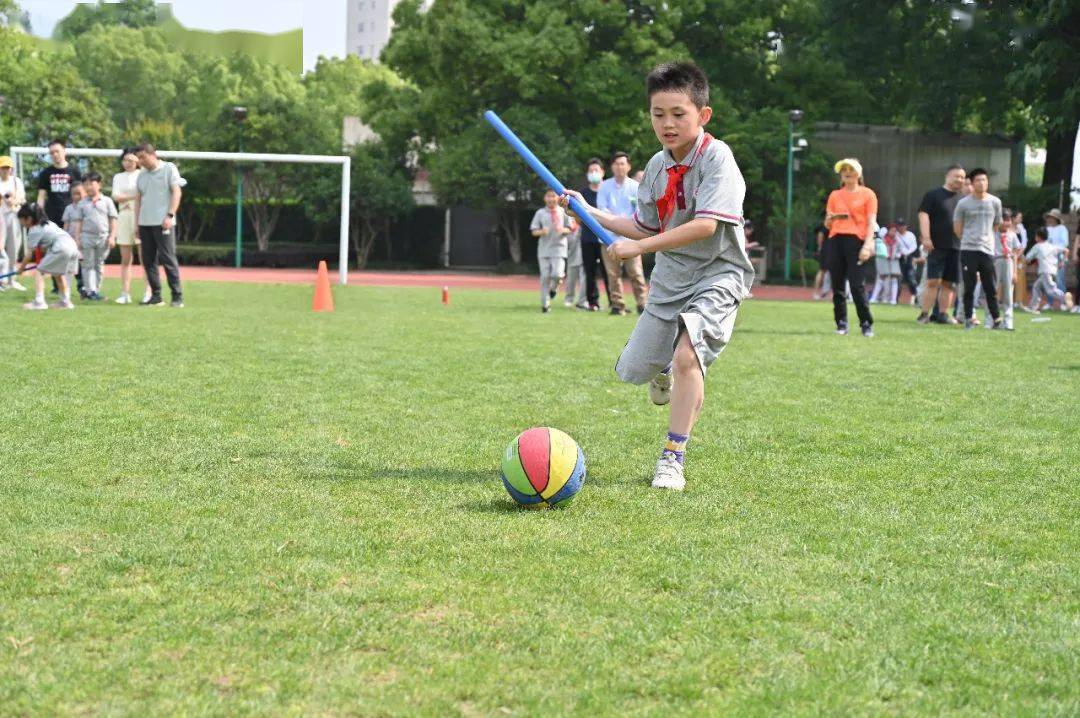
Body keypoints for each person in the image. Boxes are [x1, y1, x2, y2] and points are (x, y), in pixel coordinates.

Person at [560, 61, 754, 491]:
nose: (666, 123)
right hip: (671, 277)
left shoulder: (717, 157)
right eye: (657, 114)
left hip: (719, 272)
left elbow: (705, 226)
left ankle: (673, 456)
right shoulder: (656, 166)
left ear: (702, 115)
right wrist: (589, 211)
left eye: (678, 114)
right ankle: (662, 365)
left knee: (690, 356)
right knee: (633, 368)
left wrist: (639, 249)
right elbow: (645, 226)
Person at [824, 158, 877, 336]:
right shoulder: (834, 195)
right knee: (837, 285)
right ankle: (841, 323)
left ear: (858, 173)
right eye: (844, 169)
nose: (847, 171)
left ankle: (866, 323)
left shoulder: (868, 194)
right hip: (835, 240)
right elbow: (827, 223)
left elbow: (871, 222)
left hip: (856, 243)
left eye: (851, 169)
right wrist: (832, 219)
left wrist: (867, 246)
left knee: (856, 286)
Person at [597, 151, 649, 315]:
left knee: (636, 273)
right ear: (612, 166)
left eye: (622, 163)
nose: (619, 167)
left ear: (628, 166)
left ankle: (642, 304)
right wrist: (615, 222)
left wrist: (623, 222)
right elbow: (601, 209)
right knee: (613, 274)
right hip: (608, 237)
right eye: (616, 163)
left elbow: (640, 211)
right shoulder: (604, 186)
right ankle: (617, 305)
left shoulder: (635, 186)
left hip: (630, 237)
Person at [953, 168, 1004, 330]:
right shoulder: (963, 203)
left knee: (990, 285)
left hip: (987, 250)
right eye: (978, 180)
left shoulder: (995, 202)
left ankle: (996, 318)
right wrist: (969, 239)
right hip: (968, 249)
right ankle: (968, 317)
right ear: (972, 183)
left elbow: (996, 225)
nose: (982, 183)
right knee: (969, 285)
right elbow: (957, 228)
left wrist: (986, 239)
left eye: (984, 180)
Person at [134, 143, 184, 307]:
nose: (140, 161)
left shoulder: (169, 168)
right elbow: (139, 199)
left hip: (163, 223)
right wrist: (137, 223)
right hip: (145, 223)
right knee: (148, 261)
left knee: (168, 259)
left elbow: (176, 192)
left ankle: (177, 297)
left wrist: (170, 215)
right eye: (138, 158)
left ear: (153, 154)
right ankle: (156, 296)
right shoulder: (141, 175)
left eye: (143, 157)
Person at [916, 165, 966, 325]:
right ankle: (924, 314)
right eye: (956, 176)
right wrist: (926, 237)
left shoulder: (963, 200)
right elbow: (923, 215)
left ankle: (943, 314)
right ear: (947, 176)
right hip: (936, 245)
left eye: (962, 177)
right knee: (933, 281)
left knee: (949, 283)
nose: (959, 179)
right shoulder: (933, 195)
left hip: (957, 246)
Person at [36, 139, 84, 297]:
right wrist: (39, 215)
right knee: (54, 251)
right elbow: (41, 196)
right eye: (51, 153)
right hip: (52, 217)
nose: (54, 155)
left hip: (72, 217)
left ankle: (81, 284)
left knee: (74, 249)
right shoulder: (46, 173)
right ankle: (57, 285)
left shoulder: (75, 171)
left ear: (64, 151)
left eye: (57, 151)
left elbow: (81, 194)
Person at [15, 203, 80, 310]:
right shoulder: (49, 224)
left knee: (39, 271)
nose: (21, 223)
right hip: (72, 247)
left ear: (29, 218)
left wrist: (21, 269)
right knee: (58, 273)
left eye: (22, 220)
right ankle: (65, 302)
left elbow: (29, 254)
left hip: (61, 248)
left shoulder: (34, 230)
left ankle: (39, 302)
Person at [70, 171, 118, 302]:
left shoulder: (107, 201)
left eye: (91, 183)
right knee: (87, 265)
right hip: (87, 237)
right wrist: (77, 239)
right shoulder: (82, 204)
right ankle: (90, 291)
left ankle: (96, 290)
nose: (88, 187)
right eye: (85, 184)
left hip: (103, 237)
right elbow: (78, 222)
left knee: (99, 264)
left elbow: (113, 219)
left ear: (99, 184)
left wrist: (112, 236)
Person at [973, 209, 1022, 330]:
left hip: (1008, 262)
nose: (1006, 223)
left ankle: (1008, 321)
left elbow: (1015, 253)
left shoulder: (1012, 235)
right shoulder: (991, 234)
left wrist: (1015, 271)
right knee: (991, 291)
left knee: (1008, 294)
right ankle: (990, 320)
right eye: (1003, 220)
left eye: (1008, 220)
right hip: (994, 262)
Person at [530, 189, 572, 313]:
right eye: (548, 196)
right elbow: (533, 230)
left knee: (558, 274)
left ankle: (553, 289)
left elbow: (570, 228)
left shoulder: (563, 212)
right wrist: (542, 231)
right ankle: (545, 304)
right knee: (545, 277)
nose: (551, 199)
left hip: (559, 248)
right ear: (544, 198)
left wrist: (563, 230)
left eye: (553, 196)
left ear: (557, 198)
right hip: (544, 249)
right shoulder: (540, 213)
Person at [111, 149, 143, 304]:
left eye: (131, 160)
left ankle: (149, 291)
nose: (128, 163)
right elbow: (116, 196)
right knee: (125, 258)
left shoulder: (142, 174)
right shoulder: (118, 177)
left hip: (141, 216)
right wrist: (134, 196)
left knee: (146, 258)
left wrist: (131, 198)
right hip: (124, 215)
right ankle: (125, 293)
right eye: (125, 160)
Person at [1024, 228, 1074, 313]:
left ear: (1038, 237)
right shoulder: (1052, 246)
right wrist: (1063, 262)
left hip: (1045, 271)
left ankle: (1064, 297)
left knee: (1050, 290)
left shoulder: (1037, 246)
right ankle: (1033, 307)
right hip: (1053, 271)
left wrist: (1028, 261)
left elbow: (1027, 258)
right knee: (1036, 287)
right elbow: (1066, 250)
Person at [578, 158, 606, 311]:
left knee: (609, 271)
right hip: (588, 238)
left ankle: (614, 301)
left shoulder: (608, 191)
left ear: (603, 172)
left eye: (597, 170)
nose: (594, 173)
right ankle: (592, 302)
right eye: (591, 171)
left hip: (606, 238)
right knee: (590, 272)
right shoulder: (583, 194)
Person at [0, 155, 27, 291]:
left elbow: (22, 199)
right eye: (3, 167)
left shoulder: (17, 182)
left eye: (7, 168)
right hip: (0, 217)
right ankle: (1, 280)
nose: (5, 170)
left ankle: (12, 280)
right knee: (0, 249)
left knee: (14, 249)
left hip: (14, 216)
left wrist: (13, 201)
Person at [869, 223, 902, 305]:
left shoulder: (898, 240)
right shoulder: (882, 239)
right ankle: (874, 297)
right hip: (883, 259)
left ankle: (893, 299)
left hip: (894, 260)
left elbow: (900, 250)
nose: (893, 232)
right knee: (882, 277)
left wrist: (896, 255)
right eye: (892, 231)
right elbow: (877, 247)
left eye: (895, 231)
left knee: (894, 279)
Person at [563, 218, 588, 309]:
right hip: (572, 255)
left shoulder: (585, 219)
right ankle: (569, 299)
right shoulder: (566, 217)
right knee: (571, 279)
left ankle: (582, 301)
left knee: (584, 279)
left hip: (585, 255)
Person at [1044, 209, 1070, 294]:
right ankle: (1050, 302)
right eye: (1049, 217)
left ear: (1056, 219)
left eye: (1052, 217)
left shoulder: (1062, 228)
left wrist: (1054, 248)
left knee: (1059, 279)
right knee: (1049, 280)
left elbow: (1065, 243)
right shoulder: (1047, 229)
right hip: (1049, 257)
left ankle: (1063, 301)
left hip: (1059, 256)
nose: (1050, 219)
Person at [894, 218, 919, 304]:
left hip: (909, 259)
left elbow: (914, 246)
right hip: (900, 259)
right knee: (898, 280)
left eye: (902, 226)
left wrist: (907, 253)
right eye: (899, 226)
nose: (900, 228)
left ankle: (916, 297)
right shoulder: (896, 235)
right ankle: (895, 299)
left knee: (911, 278)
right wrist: (901, 253)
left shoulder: (910, 235)